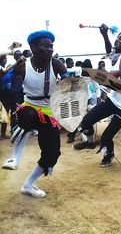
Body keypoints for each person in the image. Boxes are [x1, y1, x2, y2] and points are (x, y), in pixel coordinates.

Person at [1, 30, 67, 198]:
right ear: (33, 47)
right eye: (46, 46)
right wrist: (10, 54)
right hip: (29, 107)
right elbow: (3, 78)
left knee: (52, 155)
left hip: (49, 112)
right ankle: (15, 158)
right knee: (28, 116)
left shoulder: (57, 64)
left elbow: (69, 85)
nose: (50, 49)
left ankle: (28, 185)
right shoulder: (23, 65)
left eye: (51, 46)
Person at [72, 24, 121, 167]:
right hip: (113, 98)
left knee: (107, 136)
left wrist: (120, 73)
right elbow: (109, 51)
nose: (120, 41)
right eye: (119, 38)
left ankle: (108, 155)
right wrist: (105, 35)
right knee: (87, 121)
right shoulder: (115, 53)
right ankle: (90, 143)